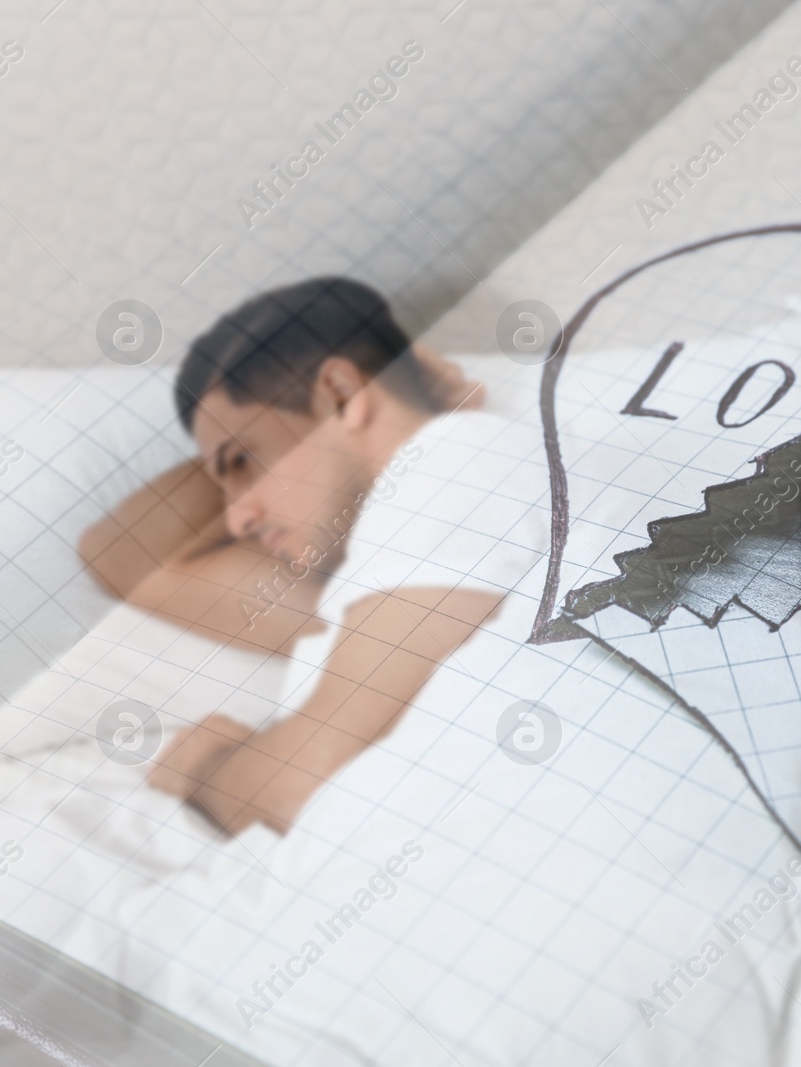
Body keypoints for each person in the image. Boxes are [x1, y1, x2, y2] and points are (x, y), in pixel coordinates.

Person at [80, 277, 522, 834]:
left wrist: (204, 767)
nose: (236, 518)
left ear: (337, 391)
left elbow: (303, 791)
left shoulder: (458, 463)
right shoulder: (374, 581)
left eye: (241, 461)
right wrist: (383, 407)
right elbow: (119, 550)